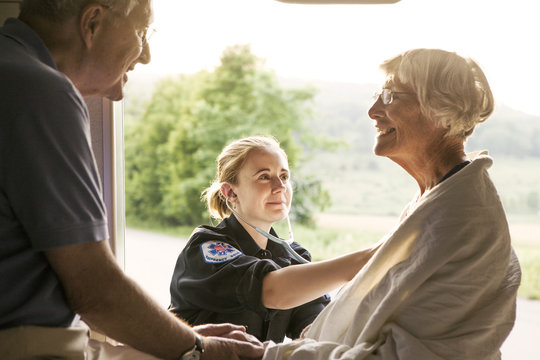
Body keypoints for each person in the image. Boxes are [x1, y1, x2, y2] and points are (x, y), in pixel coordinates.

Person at [0, 1, 263, 359]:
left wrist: (175, 336)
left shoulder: (12, 70)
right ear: (92, 22)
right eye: (142, 32)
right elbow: (95, 290)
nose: (147, 55)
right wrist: (202, 349)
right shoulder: (41, 91)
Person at [263, 48, 522, 360]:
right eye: (378, 95)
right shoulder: (438, 197)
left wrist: (272, 355)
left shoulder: (458, 219)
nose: (373, 111)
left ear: (440, 109)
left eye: (390, 96)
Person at [170, 135, 381, 343]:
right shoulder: (204, 248)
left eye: (284, 176)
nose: (280, 186)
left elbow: (315, 327)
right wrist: (363, 261)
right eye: (264, 176)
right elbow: (272, 290)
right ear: (231, 192)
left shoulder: (295, 257)